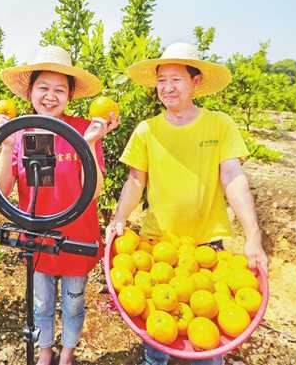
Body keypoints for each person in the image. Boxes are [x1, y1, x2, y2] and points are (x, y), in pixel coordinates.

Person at [105, 42, 269, 365]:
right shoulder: (146, 131)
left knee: (207, 346)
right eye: (161, 80)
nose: (167, 87)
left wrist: (253, 235)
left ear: (196, 82)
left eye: (176, 79)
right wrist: (119, 218)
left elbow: (233, 177)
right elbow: (135, 182)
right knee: (158, 337)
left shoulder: (220, 125)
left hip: (208, 251)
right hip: (157, 250)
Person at [0, 45, 119, 365]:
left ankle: (67, 355)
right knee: (41, 305)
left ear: (70, 95)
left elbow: (93, 193)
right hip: (38, 239)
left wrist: (89, 143)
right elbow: (2, 190)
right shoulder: (19, 132)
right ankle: (45, 353)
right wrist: (6, 145)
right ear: (30, 91)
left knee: (74, 302)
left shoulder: (82, 130)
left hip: (77, 237)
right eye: (43, 88)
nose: (50, 96)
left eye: (59, 89)